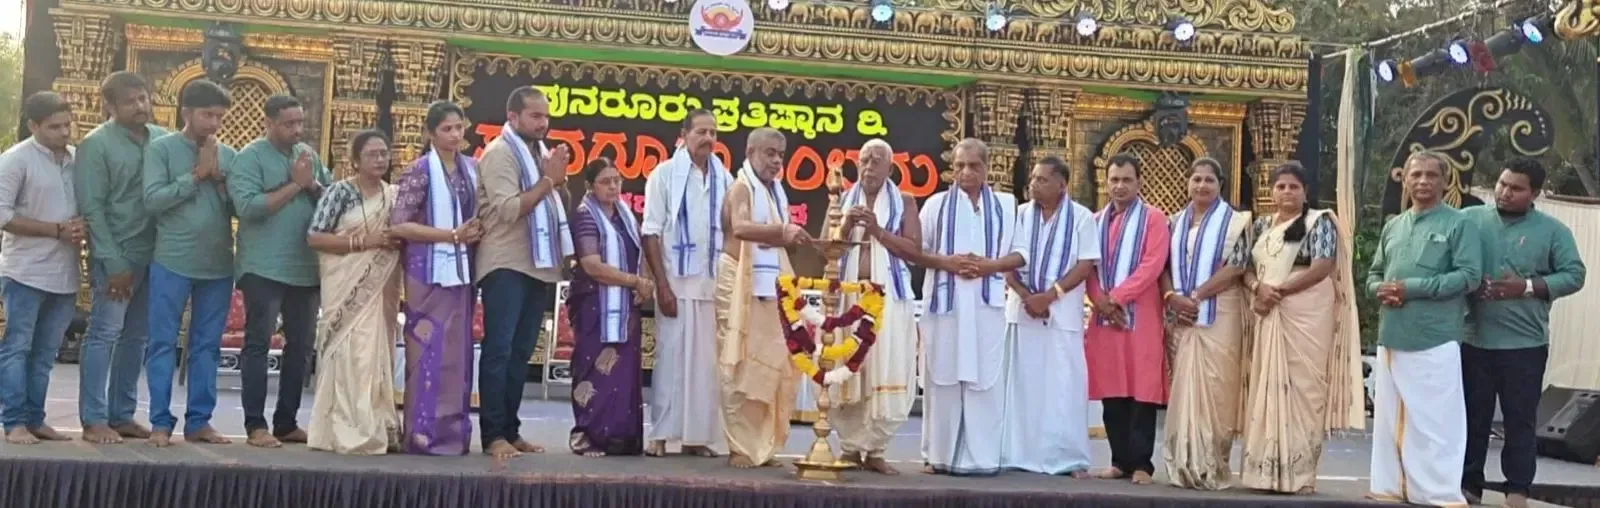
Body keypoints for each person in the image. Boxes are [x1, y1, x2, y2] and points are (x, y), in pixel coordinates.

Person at [1461, 158, 1585, 508]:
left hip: (1524, 344)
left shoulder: (1553, 231)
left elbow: (1575, 275)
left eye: (1516, 188)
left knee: (1519, 420)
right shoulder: (1469, 220)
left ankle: (1517, 489)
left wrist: (1527, 287)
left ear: (1535, 194)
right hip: (1473, 337)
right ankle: (1468, 485)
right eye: (1502, 184)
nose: (1505, 192)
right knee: (1472, 416)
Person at [1237, 161, 1364, 493]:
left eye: (1294, 186)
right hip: (1269, 310)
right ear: (1271, 191)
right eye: (1280, 186)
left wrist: (1278, 291)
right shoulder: (1262, 225)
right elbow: (1245, 269)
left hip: (1306, 312)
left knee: (1305, 390)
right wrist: (1258, 288)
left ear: (1305, 191)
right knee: (1269, 386)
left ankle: (1300, 474)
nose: (1286, 192)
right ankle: (1266, 472)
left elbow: (1322, 266)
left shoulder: (1318, 222)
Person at [1366, 151, 1482, 506]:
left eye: (1432, 175)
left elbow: (1469, 276)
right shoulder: (1394, 225)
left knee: (1436, 422)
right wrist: (1380, 289)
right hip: (1393, 334)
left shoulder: (1459, 224)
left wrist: (1411, 288)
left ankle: (1437, 493)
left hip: (1435, 337)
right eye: (1416, 175)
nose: (1423, 182)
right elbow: (1374, 274)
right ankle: (1391, 486)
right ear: (1405, 180)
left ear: (1445, 182)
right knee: (1390, 418)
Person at [228, 94, 332, 448]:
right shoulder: (250, 158)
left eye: (300, 122)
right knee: (258, 343)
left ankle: (286, 422)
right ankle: (255, 425)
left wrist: (312, 184)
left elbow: (331, 200)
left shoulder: (308, 155)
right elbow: (248, 207)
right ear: (268, 123)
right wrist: (295, 185)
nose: (297, 130)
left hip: (305, 267)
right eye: (288, 124)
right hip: (263, 267)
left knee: (301, 347)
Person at [474, 86, 573, 459]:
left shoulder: (538, 153)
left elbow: (555, 203)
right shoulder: (500, 153)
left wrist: (558, 182)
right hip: (506, 263)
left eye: (546, 116)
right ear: (513, 117)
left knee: (520, 354)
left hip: (538, 266)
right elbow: (508, 209)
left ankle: (510, 430)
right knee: (499, 350)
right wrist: (548, 181)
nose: (543, 123)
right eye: (535, 116)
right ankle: (492, 435)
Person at [917, 138, 1023, 476]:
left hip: (985, 306)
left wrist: (989, 266)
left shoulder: (1007, 205)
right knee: (943, 379)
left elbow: (1020, 254)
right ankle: (939, 455)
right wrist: (947, 262)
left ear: (987, 168)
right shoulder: (934, 205)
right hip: (945, 307)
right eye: (960, 165)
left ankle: (982, 458)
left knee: (985, 381)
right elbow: (917, 251)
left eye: (974, 166)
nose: (966, 172)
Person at [142, 80, 238, 447]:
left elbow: (241, 209)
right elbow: (153, 200)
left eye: (219, 116)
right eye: (207, 115)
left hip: (217, 264)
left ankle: (199, 421)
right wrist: (196, 175)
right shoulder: (161, 150)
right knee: (162, 343)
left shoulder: (228, 155)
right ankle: (159, 422)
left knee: (207, 346)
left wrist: (220, 179)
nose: (214, 123)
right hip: (172, 261)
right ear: (186, 113)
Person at [74, 71, 167, 444]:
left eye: (143, 98)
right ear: (109, 106)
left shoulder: (161, 139)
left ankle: (122, 414)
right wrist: (113, 263)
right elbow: (93, 208)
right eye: (130, 101)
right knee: (104, 333)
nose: (140, 106)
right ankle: (94, 419)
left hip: (155, 254)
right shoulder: (96, 145)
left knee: (137, 337)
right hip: (116, 256)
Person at [389, 100, 483, 456]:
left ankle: (453, 436)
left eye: (459, 127)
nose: (455, 135)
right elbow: (399, 225)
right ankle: (422, 435)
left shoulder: (471, 169)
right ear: (431, 133)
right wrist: (451, 236)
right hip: (427, 273)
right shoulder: (419, 171)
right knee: (429, 352)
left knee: (457, 355)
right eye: (447, 129)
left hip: (460, 272)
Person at [304, 129, 403, 455]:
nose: (380, 159)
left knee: (374, 356)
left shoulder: (394, 196)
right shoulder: (339, 193)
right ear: (355, 161)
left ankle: (376, 426)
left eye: (384, 153)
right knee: (350, 354)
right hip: (345, 287)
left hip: (379, 289)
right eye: (372, 154)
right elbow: (315, 237)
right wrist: (363, 242)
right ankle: (342, 430)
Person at [1000, 155, 1099, 476]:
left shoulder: (1082, 217)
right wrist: (1028, 297)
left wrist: (1050, 296)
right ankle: (1017, 454)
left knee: (1062, 389)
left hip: (1062, 315)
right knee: (1022, 387)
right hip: (1023, 311)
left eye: (1042, 180)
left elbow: (1085, 264)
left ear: (1061, 185)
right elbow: (1007, 263)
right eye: (1033, 179)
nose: (1033, 185)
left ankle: (1066, 458)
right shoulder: (1019, 215)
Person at [715, 127, 808, 468]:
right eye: (769, 153)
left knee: (772, 363)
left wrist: (790, 238)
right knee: (738, 364)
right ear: (750, 152)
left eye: (780, 155)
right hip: (739, 283)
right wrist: (781, 232)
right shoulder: (741, 187)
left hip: (769, 288)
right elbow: (740, 228)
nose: (776, 161)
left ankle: (762, 446)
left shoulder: (776, 194)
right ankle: (739, 446)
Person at [640, 109, 729, 458]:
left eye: (713, 133)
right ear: (684, 134)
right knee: (672, 360)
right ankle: (661, 435)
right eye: (701, 132)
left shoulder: (725, 178)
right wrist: (661, 285)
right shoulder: (664, 175)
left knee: (706, 366)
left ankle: (696, 437)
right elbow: (651, 232)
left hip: (712, 284)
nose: (708, 139)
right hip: (675, 283)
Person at [1159, 158, 1251, 490]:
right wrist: (1172, 297)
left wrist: (1196, 295)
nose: (1202, 185)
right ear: (1187, 183)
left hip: (1220, 311)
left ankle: (1212, 464)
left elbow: (1237, 266)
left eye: (1209, 180)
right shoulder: (1173, 222)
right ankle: (1183, 462)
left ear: (1220, 185)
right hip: (1181, 315)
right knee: (1184, 386)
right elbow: (1163, 266)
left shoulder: (1237, 222)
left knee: (1216, 386)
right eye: (1196, 179)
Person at [833, 138, 922, 475]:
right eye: (864, 160)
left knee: (886, 369)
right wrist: (846, 225)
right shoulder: (844, 200)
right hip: (850, 299)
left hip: (889, 302)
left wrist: (877, 230)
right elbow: (827, 250)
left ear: (890, 168)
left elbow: (914, 251)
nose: (869, 167)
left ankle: (876, 450)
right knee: (851, 369)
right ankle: (849, 448)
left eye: (876, 161)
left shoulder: (905, 201)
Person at [0, 92, 82, 445]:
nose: (63, 132)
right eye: (54, 127)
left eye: (66, 125)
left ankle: (36, 419)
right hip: (25, 272)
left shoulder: (77, 159)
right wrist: (55, 230)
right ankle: (13, 422)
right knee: (17, 347)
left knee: (46, 353)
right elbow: (2, 215)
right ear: (33, 126)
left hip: (64, 274)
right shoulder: (15, 160)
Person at [1085, 153, 1172, 485]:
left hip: (1141, 315)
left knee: (1141, 390)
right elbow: (1087, 267)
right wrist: (1101, 301)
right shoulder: (1095, 221)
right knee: (1113, 390)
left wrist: (1117, 298)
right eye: (1114, 180)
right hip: (1106, 318)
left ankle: (1142, 465)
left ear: (1139, 183)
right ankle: (1119, 460)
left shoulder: (1154, 219)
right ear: (1106, 182)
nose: (1119, 186)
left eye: (1126, 180)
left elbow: (1153, 264)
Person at [568, 157, 652, 458]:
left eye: (617, 180)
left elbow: (639, 253)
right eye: (606, 181)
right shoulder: (585, 216)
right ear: (590, 186)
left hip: (625, 305)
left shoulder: (625, 215)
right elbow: (592, 265)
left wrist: (643, 282)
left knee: (623, 372)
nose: (613, 186)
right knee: (594, 367)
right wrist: (634, 281)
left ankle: (621, 438)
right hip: (594, 304)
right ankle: (587, 435)